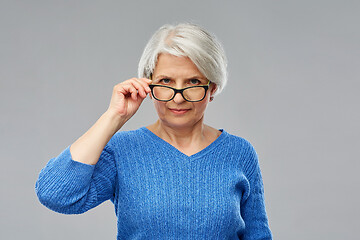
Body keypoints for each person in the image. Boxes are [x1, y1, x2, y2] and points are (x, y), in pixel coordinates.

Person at [35, 22, 272, 240]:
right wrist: (113, 117)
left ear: (212, 88)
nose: (178, 98)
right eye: (166, 81)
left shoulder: (239, 152)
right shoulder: (122, 151)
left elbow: (258, 235)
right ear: (148, 84)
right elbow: (56, 195)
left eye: (192, 82)